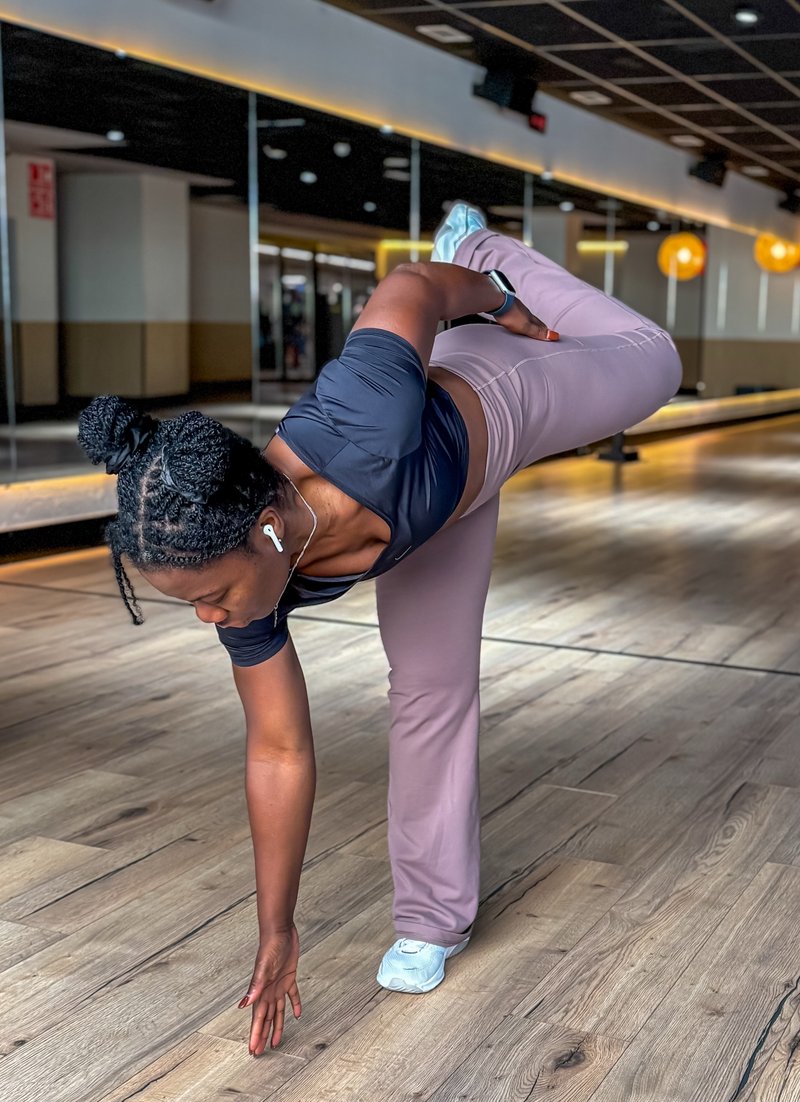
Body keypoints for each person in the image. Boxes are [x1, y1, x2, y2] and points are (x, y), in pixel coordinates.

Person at [77, 204, 682, 1057]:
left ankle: (486, 245)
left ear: (266, 531)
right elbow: (278, 752)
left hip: (494, 397)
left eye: (211, 595)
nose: (211, 618)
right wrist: (278, 929)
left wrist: (501, 300)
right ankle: (431, 920)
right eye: (194, 605)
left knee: (656, 362)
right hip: (431, 515)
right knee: (431, 688)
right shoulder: (249, 588)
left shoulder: (365, 409)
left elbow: (412, 284)